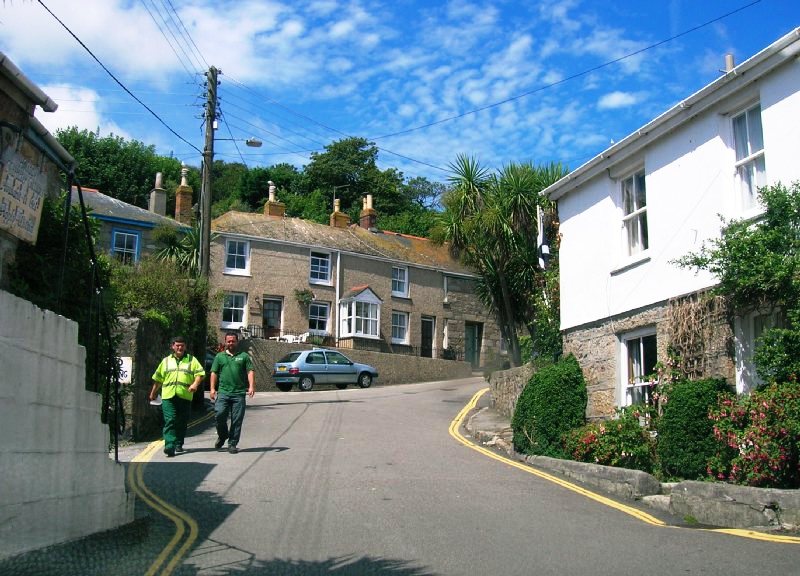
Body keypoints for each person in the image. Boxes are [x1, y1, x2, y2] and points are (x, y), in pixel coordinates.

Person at [150, 335, 205, 457]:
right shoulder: (166, 361)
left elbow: (200, 374)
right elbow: (158, 378)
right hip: (168, 396)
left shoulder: (192, 360)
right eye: (177, 345)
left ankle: (179, 442)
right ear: (172, 346)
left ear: (185, 347)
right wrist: (153, 392)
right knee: (170, 420)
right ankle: (169, 445)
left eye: (182, 345)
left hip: (185, 396)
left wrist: (195, 384)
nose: (179, 347)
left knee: (182, 421)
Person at [210, 331, 255, 454]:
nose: (230, 343)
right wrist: (212, 389)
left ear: (237, 341)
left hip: (239, 394)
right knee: (219, 415)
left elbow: (250, 371)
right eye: (228, 341)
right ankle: (223, 435)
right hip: (223, 392)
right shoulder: (219, 357)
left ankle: (232, 443)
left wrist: (251, 386)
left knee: (237, 420)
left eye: (233, 341)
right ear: (225, 342)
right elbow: (214, 373)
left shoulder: (244, 356)